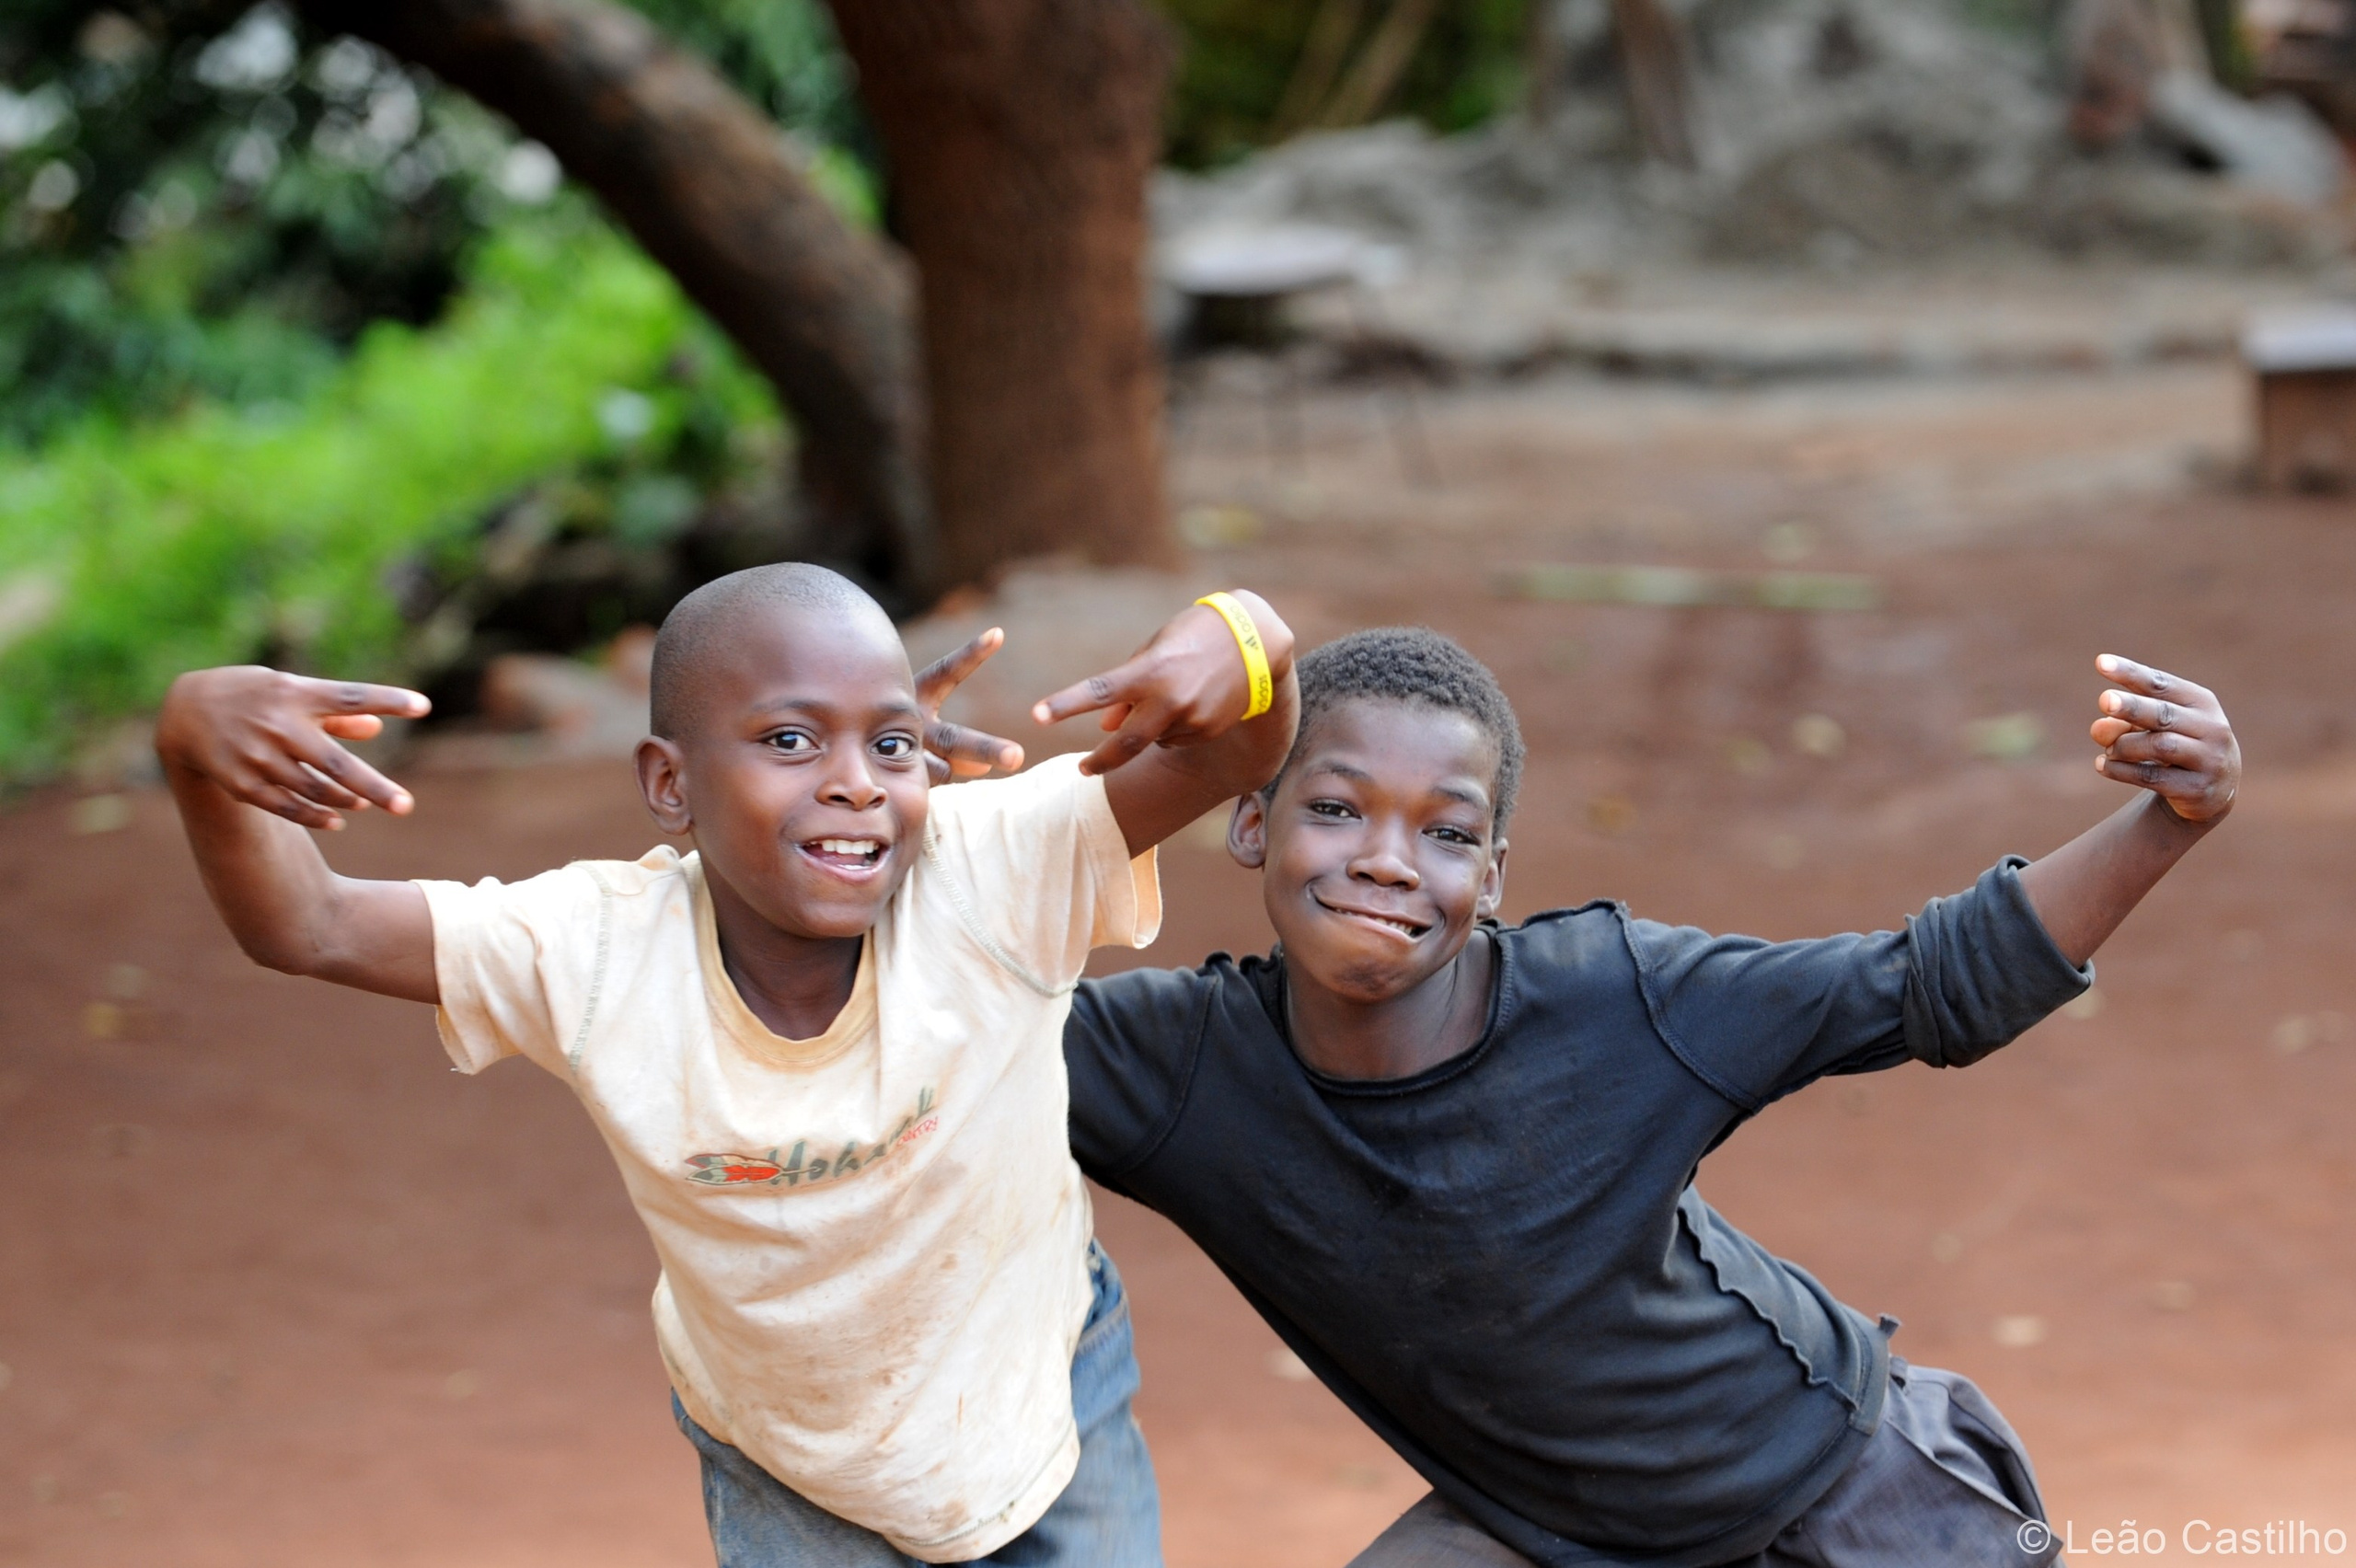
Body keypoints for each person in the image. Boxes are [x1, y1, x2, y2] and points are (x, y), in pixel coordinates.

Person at [155, 564, 1300, 1567]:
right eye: (790, 740)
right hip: (783, 1456)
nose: (856, 781)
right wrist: (196, 740)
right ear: (669, 785)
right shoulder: (595, 953)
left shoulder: (988, 868)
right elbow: (307, 925)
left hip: (1039, 1396)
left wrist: (1247, 635)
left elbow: (1246, 748)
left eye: (891, 741)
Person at [1064, 627, 2241, 1568]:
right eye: (1335, 808)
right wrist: (893, 795)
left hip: (1843, 1497)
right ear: (1252, 821)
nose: (1386, 859)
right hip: (1550, 1534)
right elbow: (934, 1036)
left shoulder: (1616, 999)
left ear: (1492, 876)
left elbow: (1932, 985)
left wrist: (2170, 817)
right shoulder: (1172, 1069)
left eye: (1447, 832)